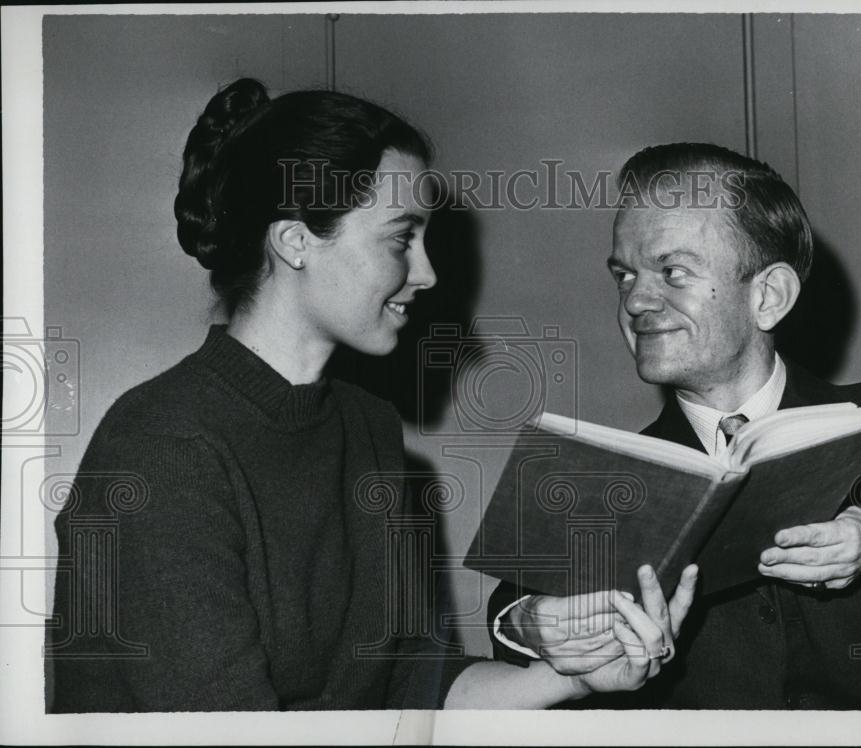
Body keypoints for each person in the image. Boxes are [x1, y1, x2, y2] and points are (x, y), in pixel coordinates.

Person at [48, 80, 698, 711]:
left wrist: (574, 678)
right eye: (399, 238)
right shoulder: (163, 449)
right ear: (296, 241)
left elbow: (414, 689)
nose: (427, 273)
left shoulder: (368, 430)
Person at [489, 142, 861, 709]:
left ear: (768, 296)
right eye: (624, 275)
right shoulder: (605, 475)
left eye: (672, 271)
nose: (635, 300)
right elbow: (518, 596)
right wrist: (528, 621)